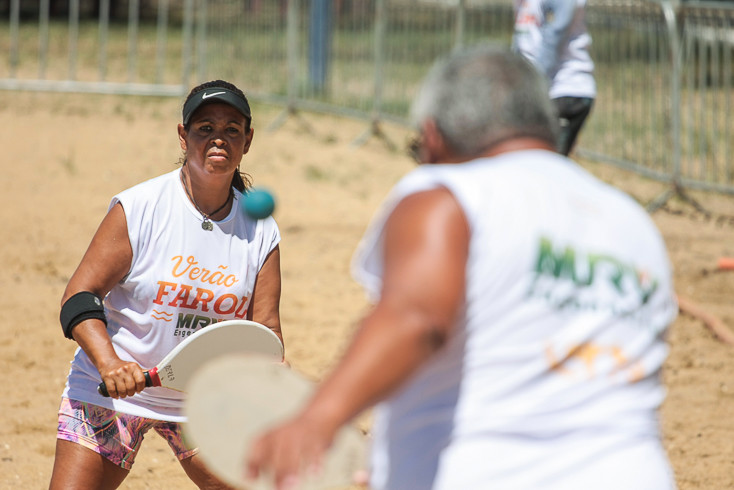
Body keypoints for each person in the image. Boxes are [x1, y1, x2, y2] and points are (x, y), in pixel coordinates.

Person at [246, 46, 678, 490]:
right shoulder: (633, 222)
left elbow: (416, 318)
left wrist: (318, 418)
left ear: (433, 136)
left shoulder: (448, 195)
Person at [49, 80, 283, 489]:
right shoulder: (139, 208)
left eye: (232, 129)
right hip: (110, 393)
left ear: (247, 140)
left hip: (205, 401)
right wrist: (111, 363)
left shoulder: (260, 230)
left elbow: (264, 333)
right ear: (183, 135)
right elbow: (78, 297)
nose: (218, 139)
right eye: (205, 128)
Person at [512, 0, 596, 156]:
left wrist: (532, 83)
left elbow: (555, 36)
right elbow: (522, 40)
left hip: (564, 89)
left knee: (542, 163)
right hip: (540, 89)